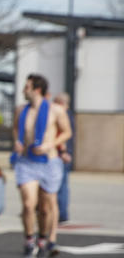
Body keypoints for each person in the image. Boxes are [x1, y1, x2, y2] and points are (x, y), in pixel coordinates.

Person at [12, 75, 72, 258]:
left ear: (37, 89)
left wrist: (50, 144)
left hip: (49, 162)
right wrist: (17, 141)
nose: (23, 90)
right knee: (29, 205)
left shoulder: (56, 110)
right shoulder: (21, 110)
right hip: (26, 162)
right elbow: (15, 129)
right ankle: (30, 241)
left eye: (27, 87)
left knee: (45, 208)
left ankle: (43, 240)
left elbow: (67, 132)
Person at [52, 92, 73, 223]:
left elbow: (66, 136)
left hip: (61, 155)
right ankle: (61, 213)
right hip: (64, 154)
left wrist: (64, 152)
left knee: (60, 186)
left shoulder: (63, 116)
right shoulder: (68, 115)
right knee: (62, 185)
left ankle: (61, 214)